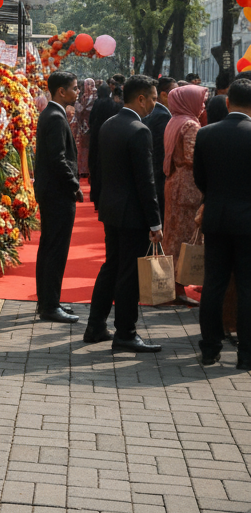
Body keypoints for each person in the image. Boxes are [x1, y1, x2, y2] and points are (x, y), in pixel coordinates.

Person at [83, 74, 163, 352]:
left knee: (112, 267)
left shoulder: (109, 124)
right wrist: (154, 221)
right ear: (140, 98)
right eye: (153, 97)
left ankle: (95, 325)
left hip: (112, 209)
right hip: (132, 215)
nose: (155, 102)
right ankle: (126, 333)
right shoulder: (139, 130)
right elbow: (146, 182)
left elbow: (99, 168)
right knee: (128, 274)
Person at [193, 76, 251, 369]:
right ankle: (246, 354)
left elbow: (199, 179)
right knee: (247, 286)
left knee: (213, 284)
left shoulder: (206, 134)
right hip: (247, 222)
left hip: (216, 217)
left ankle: (209, 348)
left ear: (227, 102)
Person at [33, 70, 82, 324]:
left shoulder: (53, 114)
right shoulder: (54, 116)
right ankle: (49, 305)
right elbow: (58, 159)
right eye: (74, 88)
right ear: (61, 91)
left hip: (53, 192)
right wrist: (74, 184)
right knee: (55, 250)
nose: (78, 92)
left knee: (49, 248)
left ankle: (48, 301)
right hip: (57, 194)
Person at [161, 84, 207, 304]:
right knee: (185, 238)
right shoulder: (190, 125)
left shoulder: (174, 120)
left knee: (173, 235)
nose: (203, 104)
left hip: (174, 183)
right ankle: (178, 289)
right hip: (188, 186)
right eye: (200, 100)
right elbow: (193, 157)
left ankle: (173, 287)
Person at [144, 76, 175, 222]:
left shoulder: (155, 113)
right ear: (164, 95)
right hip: (159, 178)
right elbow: (160, 153)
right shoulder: (162, 116)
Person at [88, 83, 121, 211]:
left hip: (96, 136)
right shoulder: (113, 104)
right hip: (110, 136)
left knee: (96, 168)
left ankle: (96, 198)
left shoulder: (97, 103)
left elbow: (91, 120)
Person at [71, 78, 96, 177]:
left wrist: (76, 104)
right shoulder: (86, 96)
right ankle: (83, 169)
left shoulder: (93, 96)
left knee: (87, 147)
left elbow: (85, 110)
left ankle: (86, 169)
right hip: (83, 125)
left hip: (88, 124)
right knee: (83, 147)